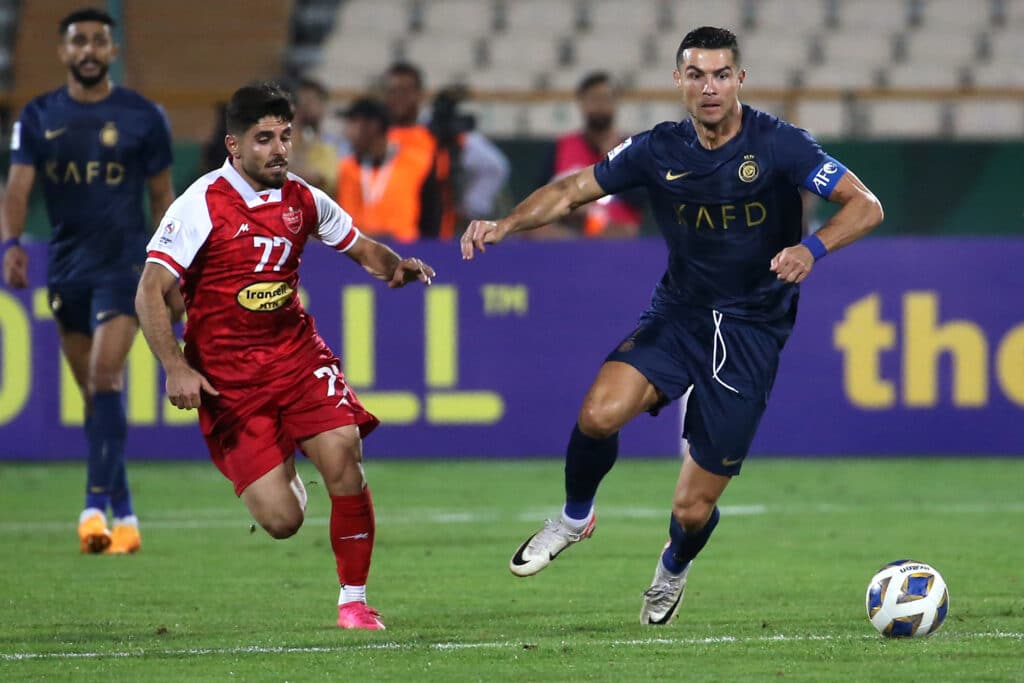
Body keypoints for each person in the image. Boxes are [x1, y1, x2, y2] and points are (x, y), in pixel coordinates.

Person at [460, 27, 883, 625]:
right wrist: (505, 224)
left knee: (691, 509)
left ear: (739, 80)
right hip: (680, 312)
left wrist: (810, 248)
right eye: (697, 75)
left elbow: (866, 204)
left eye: (721, 75)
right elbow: (575, 189)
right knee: (598, 414)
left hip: (751, 330)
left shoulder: (781, 144)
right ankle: (575, 517)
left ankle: (673, 566)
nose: (709, 88)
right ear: (679, 80)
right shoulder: (657, 149)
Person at [135, 82, 435, 630]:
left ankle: (354, 602)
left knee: (343, 454)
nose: (279, 149)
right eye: (264, 138)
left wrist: (395, 266)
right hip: (230, 381)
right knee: (282, 520)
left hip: (296, 358)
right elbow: (149, 290)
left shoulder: (304, 199)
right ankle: (282, 460)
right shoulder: (201, 204)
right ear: (234, 145)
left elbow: (361, 246)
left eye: (286, 136)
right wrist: (176, 366)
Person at [1, 7, 175, 555]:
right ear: (63, 51)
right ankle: (126, 516)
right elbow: (17, 188)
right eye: (80, 41)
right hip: (66, 267)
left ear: (113, 51)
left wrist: (171, 262)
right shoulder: (38, 115)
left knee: (105, 376)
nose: (90, 50)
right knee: (95, 397)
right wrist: (10, 244)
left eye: (100, 41)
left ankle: (93, 507)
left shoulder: (144, 116)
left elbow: (162, 196)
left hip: (125, 265)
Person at [384, 62, 509, 238]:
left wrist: (470, 208)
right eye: (392, 91)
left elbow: (494, 167)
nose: (398, 98)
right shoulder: (377, 133)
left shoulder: (440, 132)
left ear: (419, 94)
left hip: (433, 229)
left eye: (405, 91)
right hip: (386, 228)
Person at [545, 71, 643, 239]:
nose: (600, 105)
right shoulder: (562, 147)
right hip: (568, 236)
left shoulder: (632, 149)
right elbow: (542, 198)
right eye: (594, 99)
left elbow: (641, 201)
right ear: (582, 102)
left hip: (617, 239)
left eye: (606, 99)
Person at [336, 96, 441, 242]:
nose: (347, 133)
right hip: (356, 251)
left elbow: (431, 216)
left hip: (406, 250)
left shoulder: (417, 163)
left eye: (353, 123)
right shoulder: (346, 168)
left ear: (373, 127)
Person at [288, 78, 339, 194]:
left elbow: (323, 178)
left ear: (323, 105)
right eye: (300, 103)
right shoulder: (289, 138)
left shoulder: (333, 142)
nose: (304, 107)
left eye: (309, 101)